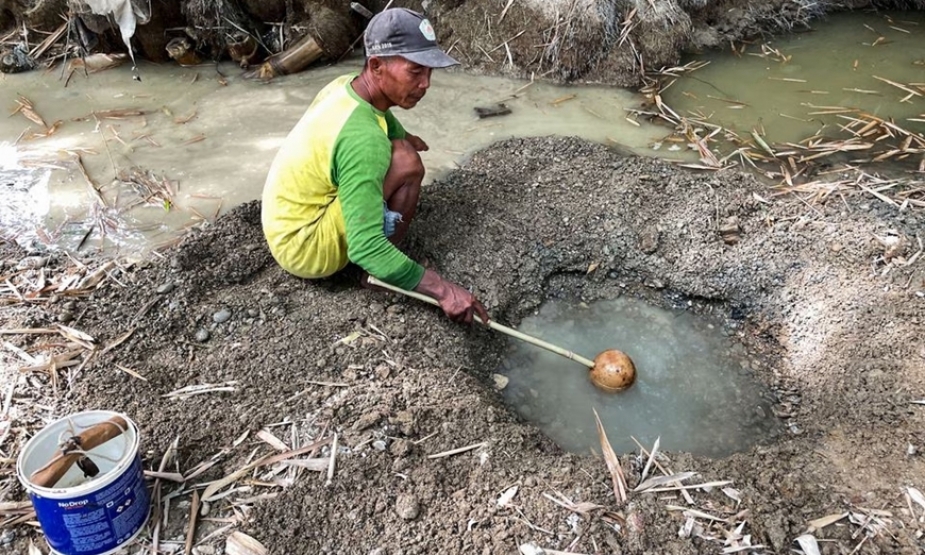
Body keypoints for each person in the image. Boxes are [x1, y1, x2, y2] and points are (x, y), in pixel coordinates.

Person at [261, 8, 489, 324]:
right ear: (376, 66)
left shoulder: (345, 85)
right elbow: (364, 247)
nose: (426, 84)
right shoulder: (364, 141)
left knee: (401, 149)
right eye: (415, 71)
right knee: (407, 162)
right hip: (305, 248)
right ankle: (377, 277)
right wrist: (443, 290)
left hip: (282, 227)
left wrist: (403, 134)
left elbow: (382, 115)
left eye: (429, 72)